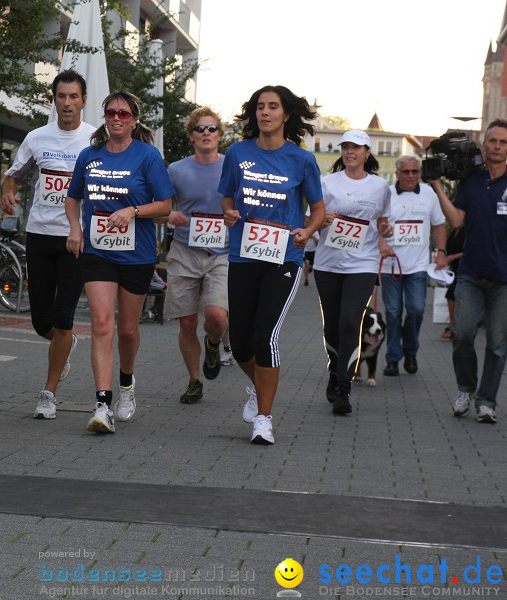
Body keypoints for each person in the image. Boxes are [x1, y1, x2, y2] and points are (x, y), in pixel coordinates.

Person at [218, 84, 325, 444]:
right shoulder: (237, 153)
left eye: (272, 107)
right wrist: (229, 213)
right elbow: (228, 196)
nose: (264, 112)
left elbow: (318, 208)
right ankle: (257, 388)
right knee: (241, 343)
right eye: (260, 107)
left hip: (285, 258)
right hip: (243, 255)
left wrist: (307, 229)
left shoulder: (301, 159)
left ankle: (264, 418)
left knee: (266, 335)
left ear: (286, 114)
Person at [65, 90, 174, 434]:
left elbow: (166, 205)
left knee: (127, 330)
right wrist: (74, 228)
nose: (116, 118)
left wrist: (133, 210)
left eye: (123, 114)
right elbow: (73, 197)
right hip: (98, 252)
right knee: (101, 325)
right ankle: (102, 405)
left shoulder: (147, 157)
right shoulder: (89, 156)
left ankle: (127, 384)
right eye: (111, 112)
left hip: (137, 255)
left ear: (134, 120)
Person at [0, 70, 95, 419]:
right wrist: (8, 192)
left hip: (76, 237)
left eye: (73, 97)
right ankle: (63, 345)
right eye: (61, 97)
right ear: (53, 99)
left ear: (84, 100)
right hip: (39, 234)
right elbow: (14, 174)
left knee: (64, 316)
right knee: (43, 321)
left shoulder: (94, 140)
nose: (67, 103)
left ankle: (48, 392)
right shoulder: (37, 138)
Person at [312, 130, 393, 416]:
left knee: (350, 322)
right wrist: (323, 219)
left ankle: (344, 388)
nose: (350, 152)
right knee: (331, 326)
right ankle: (335, 371)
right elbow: (312, 216)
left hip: (363, 263)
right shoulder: (326, 182)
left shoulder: (380, 187)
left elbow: (383, 220)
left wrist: (385, 231)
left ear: (367, 153)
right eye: (346, 147)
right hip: (328, 263)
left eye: (356, 148)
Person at [432, 118, 507, 424]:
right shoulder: (471, 180)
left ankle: (487, 402)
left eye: (504, 142)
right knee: (462, 334)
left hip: (504, 279)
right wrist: (437, 186)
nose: (498, 147)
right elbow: (457, 220)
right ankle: (466, 389)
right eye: (493, 141)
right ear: (483, 143)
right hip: (472, 274)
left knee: (497, 344)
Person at [162, 106, 230, 404]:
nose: (206, 133)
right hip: (185, 251)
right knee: (187, 322)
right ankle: (194, 380)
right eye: (200, 129)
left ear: (220, 135)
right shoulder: (176, 169)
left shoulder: (233, 168)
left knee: (216, 315)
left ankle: (214, 343)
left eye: (211, 129)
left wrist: (235, 216)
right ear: (191, 135)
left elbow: (246, 206)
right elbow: (158, 206)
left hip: (222, 253)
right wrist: (170, 215)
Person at [378, 156, 447, 377]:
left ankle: (410, 351)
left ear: (419, 173)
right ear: (397, 174)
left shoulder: (428, 193)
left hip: (418, 265)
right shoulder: (386, 194)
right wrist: (381, 242)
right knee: (393, 312)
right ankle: (392, 359)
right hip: (391, 265)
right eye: (405, 172)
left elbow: (438, 224)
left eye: (414, 172)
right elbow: (375, 224)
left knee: (416, 309)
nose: (410, 176)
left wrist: (442, 253)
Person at [440, 226, 464, 340]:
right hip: (454, 269)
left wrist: (452, 257)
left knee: (451, 294)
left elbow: (471, 250)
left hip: (464, 268)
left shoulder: (468, 229)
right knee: (451, 295)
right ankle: (453, 324)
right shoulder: (454, 231)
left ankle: (453, 325)